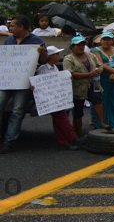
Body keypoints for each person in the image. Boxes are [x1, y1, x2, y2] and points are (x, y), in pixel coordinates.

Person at [0, 16, 47, 154]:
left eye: (13, 26)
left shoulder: (36, 41)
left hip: (23, 82)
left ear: (21, 27)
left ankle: (9, 141)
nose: (10, 28)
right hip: (6, 80)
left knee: (18, 110)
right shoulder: (9, 40)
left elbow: (44, 60)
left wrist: (42, 52)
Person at [35, 46, 79, 150]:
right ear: (51, 56)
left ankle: (64, 141)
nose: (59, 56)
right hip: (50, 98)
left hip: (56, 98)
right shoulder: (43, 69)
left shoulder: (55, 67)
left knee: (58, 119)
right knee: (62, 118)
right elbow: (40, 83)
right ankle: (72, 138)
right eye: (57, 54)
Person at [63, 36, 104, 137]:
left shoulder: (90, 55)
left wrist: (99, 70)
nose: (81, 47)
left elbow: (100, 65)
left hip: (93, 84)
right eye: (78, 45)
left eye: (82, 44)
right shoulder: (68, 59)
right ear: (72, 47)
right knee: (78, 112)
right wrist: (90, 74)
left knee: (97, 100)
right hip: (77, 88)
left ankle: (102, 123)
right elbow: (70, 74)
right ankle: (79, 133)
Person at [91, 31, 114, 130]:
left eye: (108, 39)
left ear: (112, 40)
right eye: (104, 39)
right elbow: (101, 64)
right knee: (101, 103)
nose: (106, 41)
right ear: (100, 41)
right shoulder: (96, 50)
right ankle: (101, 126)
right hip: (102, 80)